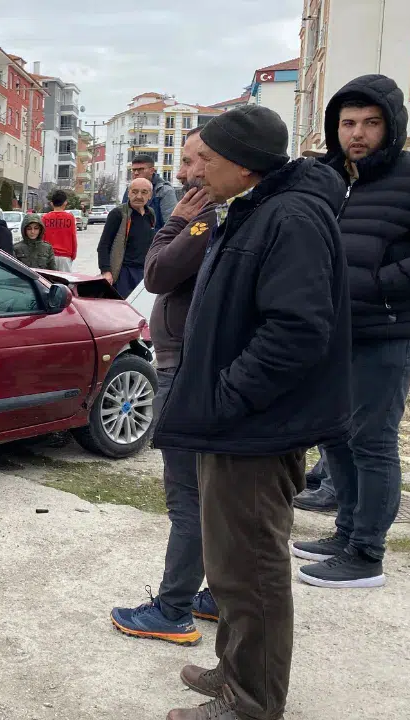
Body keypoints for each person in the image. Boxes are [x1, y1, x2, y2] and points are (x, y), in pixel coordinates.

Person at [155, 105, 351, 720]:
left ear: (243, 165)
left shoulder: (290, 217)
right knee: (230, 564)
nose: (195, 172)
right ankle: (236, 670)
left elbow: (297, 331)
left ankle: (251, 703)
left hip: (255, 428)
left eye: (207, 160)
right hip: (239, 424)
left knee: (252, 568)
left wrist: (226, 398)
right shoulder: (257, 207)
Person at [292, 74, 410, 589]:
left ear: (392, 126)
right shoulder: (327, 177)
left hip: (388, 331)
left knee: (372, 440)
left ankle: (366, 554)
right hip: (331, 331)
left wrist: (377, 284)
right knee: (335, 435)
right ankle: (345, 532)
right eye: (347, 123)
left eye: (370, 122)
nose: (357, 133)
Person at [110, 127, 219, 647]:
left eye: (194, 160)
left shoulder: (201, 217)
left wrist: (174, 223)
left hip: (184, 367)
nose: (182, 172)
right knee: (211, 494)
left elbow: (156, 274)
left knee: (187, 498)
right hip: (197, 364)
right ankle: (218, 594)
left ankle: (173, 609)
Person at [97, 177, 156, 298]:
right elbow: (103, 245)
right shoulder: (118, 214)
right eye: (134, 191)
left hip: (144, 272)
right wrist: (106, 271)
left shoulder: (150, 214)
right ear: (128, 193)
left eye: (144, 192)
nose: (139, 196)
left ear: (150, 195)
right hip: (123, 273)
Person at [125, 153, 178, 230]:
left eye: (140, 169)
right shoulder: (129, 189)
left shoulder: (164, 190)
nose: (136, 173)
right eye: (134, 170)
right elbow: (123, 217)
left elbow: (170, 225)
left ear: (152, 170)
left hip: (156, 236)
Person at [41, 190, 78, 270]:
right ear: (65, 203)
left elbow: (42, 238)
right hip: (65, 256)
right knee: (63, 278)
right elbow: (73, 237)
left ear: (51, 203)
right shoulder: (70, 218)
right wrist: (73, 255)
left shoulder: (45, 218)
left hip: (48, 256)